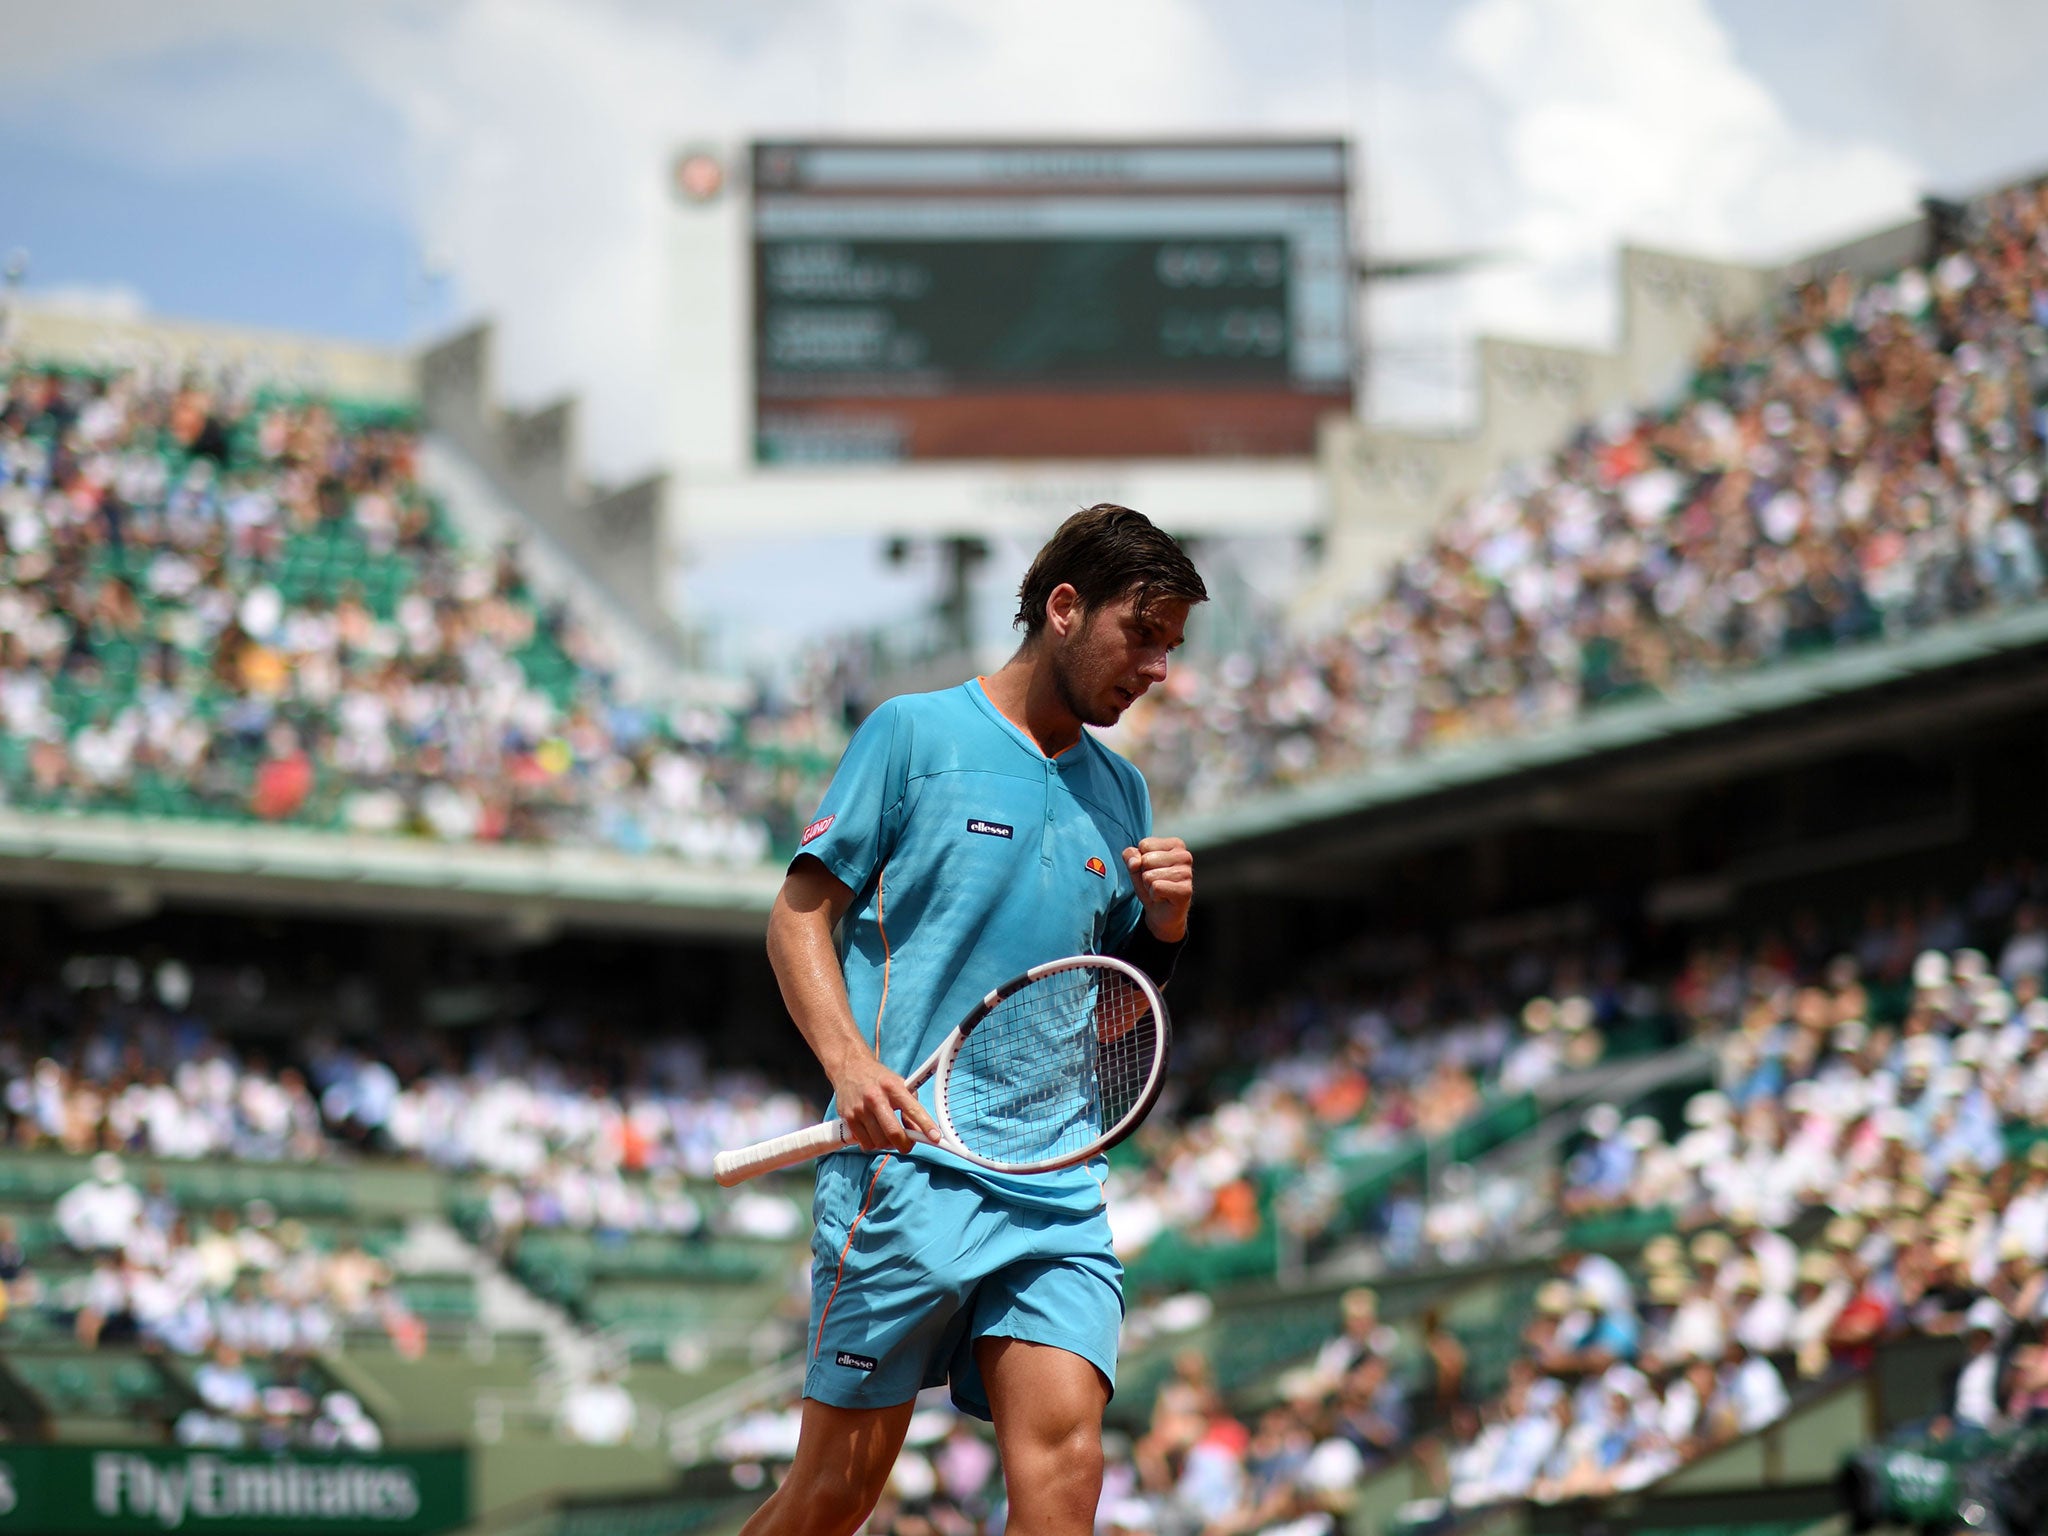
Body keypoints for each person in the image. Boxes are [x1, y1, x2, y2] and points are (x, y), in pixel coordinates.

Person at [737, 505, 1206, 1536]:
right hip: (904, 1174)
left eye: (1170, 646)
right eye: (1144, 635)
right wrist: (850, 1065)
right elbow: (796, 918)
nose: (1158, 667)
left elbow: (1113, 1024)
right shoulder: (911, 734)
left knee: (1065, 1471)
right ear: (1063, 608)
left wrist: (1162, 932)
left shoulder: (1122, 791)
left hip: (1053, 1186)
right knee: (832, 1497)